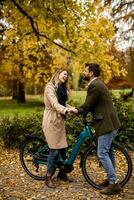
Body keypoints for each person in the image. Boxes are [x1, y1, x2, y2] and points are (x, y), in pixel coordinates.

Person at [74, 63, 122, 195]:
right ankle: (110, 179)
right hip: (111, 123)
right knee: (109, 152)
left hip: (106, 124)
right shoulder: (99, 83)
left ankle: (113, 183)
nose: (83, 73)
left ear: (91, 73)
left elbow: (88, 105)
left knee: (102, 153)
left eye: (85, 71)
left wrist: (76, 111)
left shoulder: (94, 85)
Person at [42, 68, 76, 188]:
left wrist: (72, 108)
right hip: (51, 120)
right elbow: (55, 104)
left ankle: (61, 174)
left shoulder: (61, 88)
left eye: (67, 75)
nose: (66, 76)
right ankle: (48, 176)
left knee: (63, 148)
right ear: (58, 74)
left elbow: (62, 103)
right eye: (64, 74)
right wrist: (66, 110)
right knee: (54, 149)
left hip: (59, 120)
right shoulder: (50, 87)